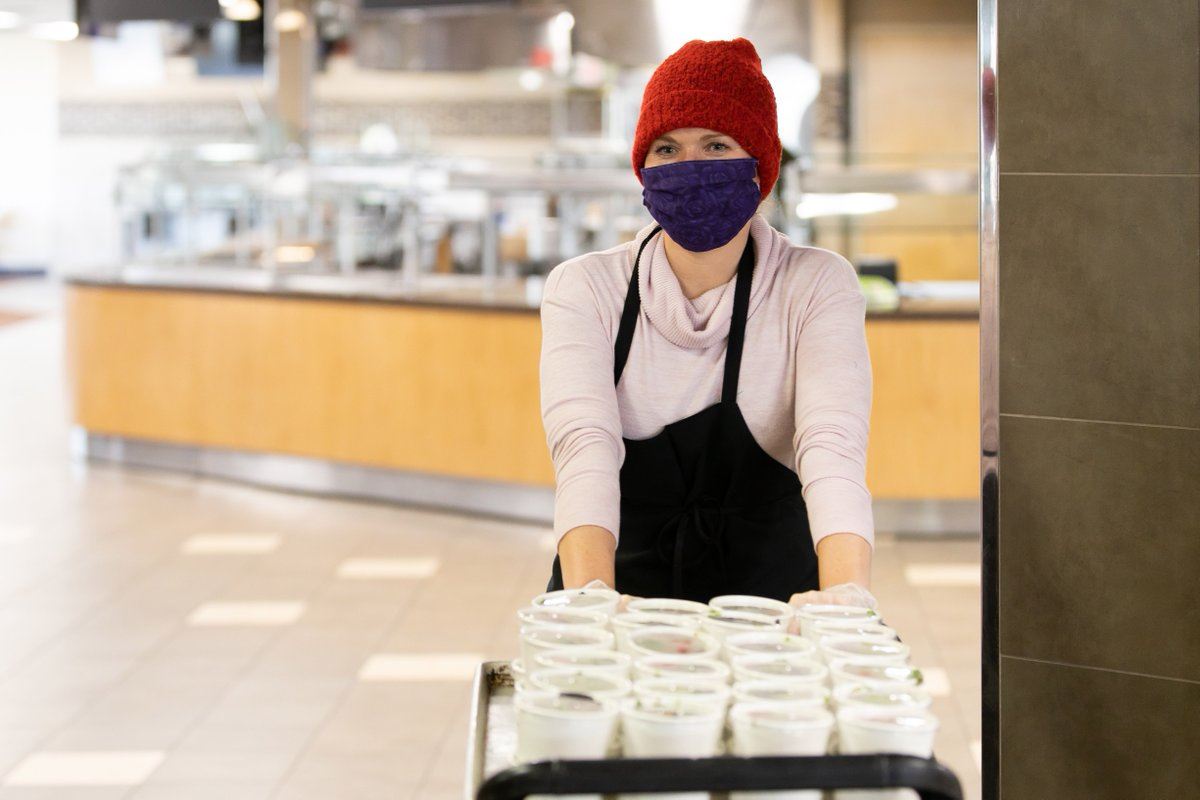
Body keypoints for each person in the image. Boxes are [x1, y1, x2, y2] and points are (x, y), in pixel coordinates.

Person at [538, 37, 876, 610]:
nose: (690, 166)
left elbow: (831, 445)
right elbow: (585, 446)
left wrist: (845, 596)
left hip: (773, 605)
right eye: (667, 149)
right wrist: (590, 605)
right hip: (620, 592)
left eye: (716, 145)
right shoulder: (585, 288)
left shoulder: (816, 285)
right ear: (643, 168)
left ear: (759, 167)